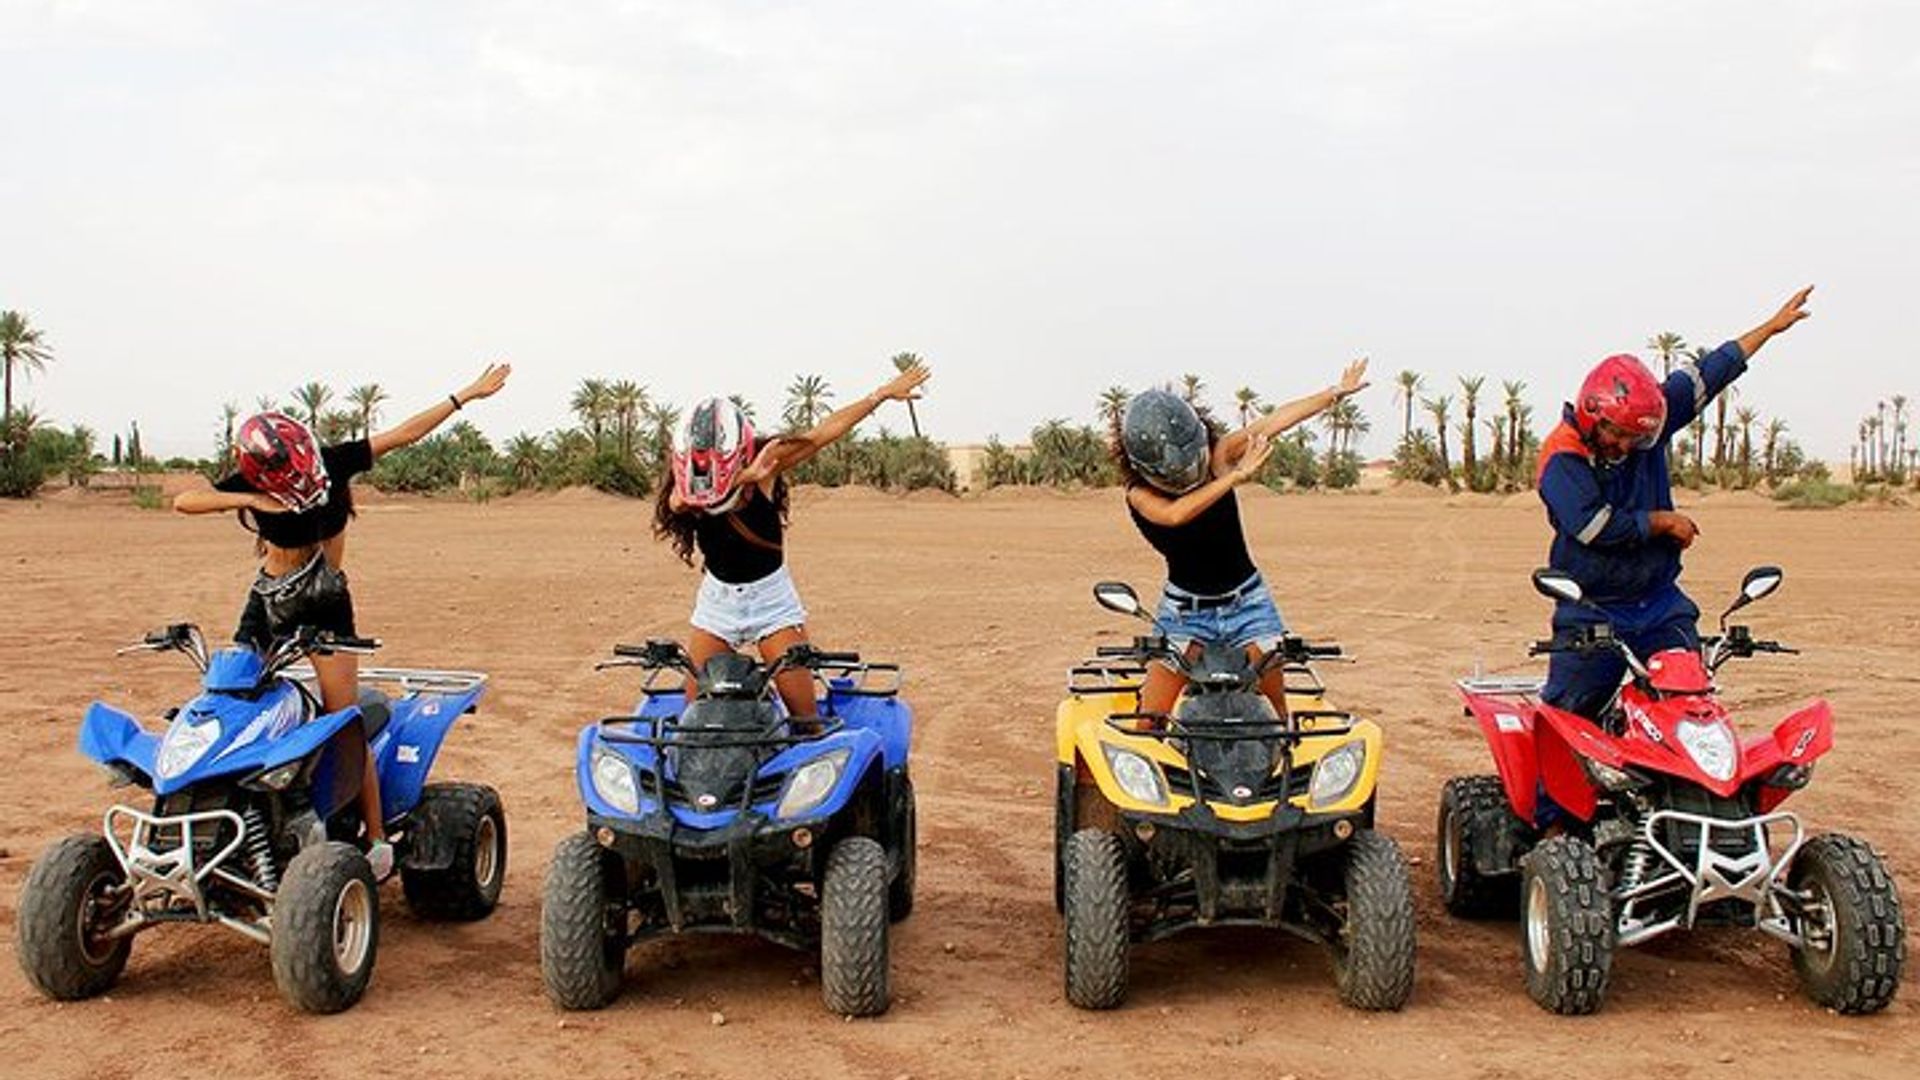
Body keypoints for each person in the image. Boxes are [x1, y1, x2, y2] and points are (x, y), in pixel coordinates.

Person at [174, 364, 512, 878]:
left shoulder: (333, 461)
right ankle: (236, 819)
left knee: (343, 721)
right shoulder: (253, 480)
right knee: (231, 700)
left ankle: (375, 837)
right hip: (267, 602)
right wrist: (248, 498)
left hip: (326, 604)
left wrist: (466, 394)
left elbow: (404, 433)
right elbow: (184, 500)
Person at [1537, 287, 1813, 722]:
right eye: (1619, 435)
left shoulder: (1649, 422)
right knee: (1568, 723)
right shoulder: (1562, 457)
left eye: (1639, 437)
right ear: (1594, 415)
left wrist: (1771, 328)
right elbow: (1592, 526)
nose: (1628, 446)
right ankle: (1549, 794)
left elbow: (1710, 372)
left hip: (1660, 602)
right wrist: (1662, 522)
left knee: (1691, 710)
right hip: (1592, 607)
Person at [653, 362, 930, 721]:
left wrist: (880, 395)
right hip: (717, 603)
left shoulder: (767, 460)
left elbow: (823, 433)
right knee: (694, 722)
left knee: (805, 721)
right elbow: (678, 502)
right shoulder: (692, 474)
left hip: (771, 602)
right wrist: (742, 478)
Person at [1116, 361, 1370, 719]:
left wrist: (1334, 393)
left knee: (1278, 716)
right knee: (1149, 719)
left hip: (1249, 603)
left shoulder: (1217, 455)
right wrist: (1236, 477)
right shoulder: (1139, 494)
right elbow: (1176, 515)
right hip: (1184, 612)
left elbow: (1271, 423)